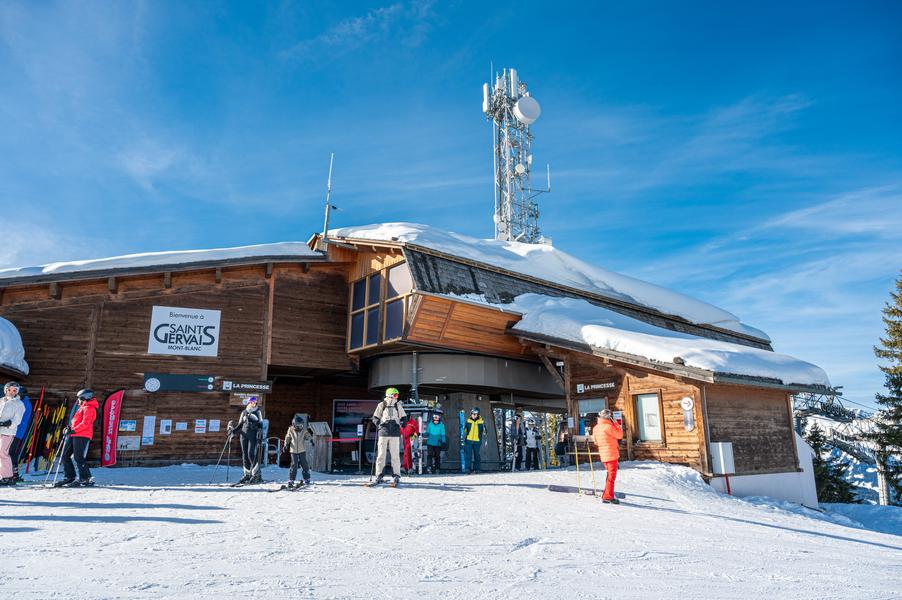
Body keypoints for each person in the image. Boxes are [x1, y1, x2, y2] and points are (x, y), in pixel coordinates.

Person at [55, 388, 99, 487]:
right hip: (74, 434)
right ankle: (70, 476)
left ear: (85, 398)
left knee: (78, 457)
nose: (78, 400)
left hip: (83, 435)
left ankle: (85, 478)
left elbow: (86, 423)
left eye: (79, 398)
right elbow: (77, 421)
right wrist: (69, 428)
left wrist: (74, 430)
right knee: (65, 455)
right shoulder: (82, 407)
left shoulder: (89, 408)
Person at [371, 387, 406, 486]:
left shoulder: (398, 405)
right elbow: (375, 417)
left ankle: (396, 475)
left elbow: (404, 416)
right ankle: (379, 475)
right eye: (395, 395)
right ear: (390, 395)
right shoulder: (382, 405)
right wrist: (378, 424)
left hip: (394, 432)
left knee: (395, 455)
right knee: (381, 455)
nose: (397, 397)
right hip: (384, 432)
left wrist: (403, 422)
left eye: (397, 395)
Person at [591, 409, 624, 504]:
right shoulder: (609, 427)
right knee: (611, 477)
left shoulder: (596, 428)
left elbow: (596, 442)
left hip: (603, 455)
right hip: (612, 454)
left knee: (609, 475)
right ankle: (608, 497)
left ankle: (606, 494)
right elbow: (620, 435)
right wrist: (616, 424)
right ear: (608, 417)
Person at [229, 397, 264, 485]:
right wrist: (233, 431)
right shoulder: (244, 412)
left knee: (250, 454)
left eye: (255, 402)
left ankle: (256, 474)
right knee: (244, 455)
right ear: (249, 402)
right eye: (252, 402)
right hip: (243, 435)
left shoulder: (258, 412)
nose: (253, 403)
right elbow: (240, 424)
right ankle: (247, 474)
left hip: (253, 435)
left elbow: (261, 426)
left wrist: (260, 436)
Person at [0, 382, 25, 486]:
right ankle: (2, 475)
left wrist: (8, 423)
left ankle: (8, 476)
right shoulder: (1, 401)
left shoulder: (19, 404)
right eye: (9, 390)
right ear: (6, 390)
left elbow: (17, 419)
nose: (11, 392)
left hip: (8, 432)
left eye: (14, 390)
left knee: (2, 452)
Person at [282, 413, 313, 488]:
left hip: (302, 450)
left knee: (304, 464)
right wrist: (286, 445)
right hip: (293, 450)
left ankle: (307, 478)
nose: (300, 427)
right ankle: (291, 479)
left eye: (301, 425)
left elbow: (307, 436)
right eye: (298, 425)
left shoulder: (304, 430)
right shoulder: (291, 430)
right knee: (294, 465)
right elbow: (287, 438)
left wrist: (311, 440)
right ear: (294, 424)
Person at [10, 385, 33, 482]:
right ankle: (11, 473)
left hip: (17, 431)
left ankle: (14, 474)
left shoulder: (24, 404)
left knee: (10, 452)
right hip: (13, 430)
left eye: (17, 393)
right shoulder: (20, 402)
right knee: (9, 452)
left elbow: (18, 418)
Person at [463, 407, 486, 474]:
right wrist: (463, 428)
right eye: (472, 414)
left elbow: (485, 432)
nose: (473, 415)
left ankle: (477, 469)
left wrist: (484, 429)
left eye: (475, 414)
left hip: (477, 441)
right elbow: (465, 430)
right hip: (469, 441)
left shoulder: (481, 422)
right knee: (468, 455)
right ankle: (467, 469)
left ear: (478, 414)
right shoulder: (468, 421)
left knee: (477, 455)